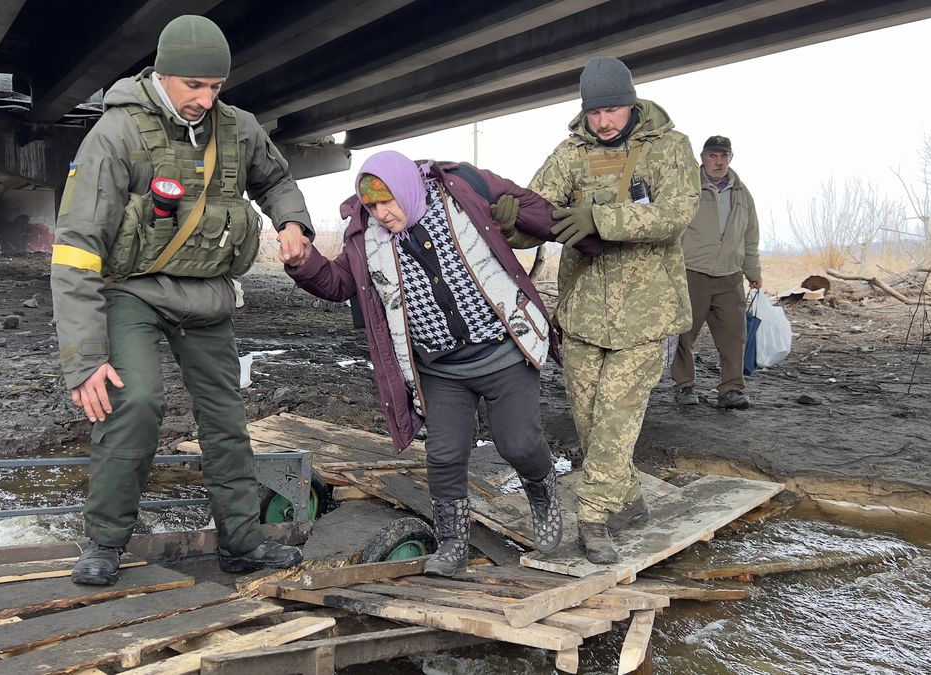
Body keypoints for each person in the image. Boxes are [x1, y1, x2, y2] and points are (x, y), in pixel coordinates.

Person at [50, 15, 313, 586]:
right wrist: (84, 358)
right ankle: (105, 540)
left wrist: (294, 222)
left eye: (214, 87)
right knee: (136, 403)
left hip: (209, 296)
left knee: (225, 418)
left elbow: (276, 179)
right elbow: (76, 248)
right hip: (133, 293)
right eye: (193, 86)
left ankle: (242, 544)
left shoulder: (238, 129)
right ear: (162, 74)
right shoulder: (116, 135)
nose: (204, 98)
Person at [285, 150, 602, 576]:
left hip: (503, 353)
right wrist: (304, 263)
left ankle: (541, 493)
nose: (383, 213)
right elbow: (341, 283)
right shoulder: (365, 237)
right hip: (439, 369)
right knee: (445, 455)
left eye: (389, 201)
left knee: (518, 444)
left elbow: (536, 213)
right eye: (373, 205)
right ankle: (453, 542)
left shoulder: (464, 192)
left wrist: (598, 235)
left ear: (409, 190)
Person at [528, 56, 700, 564]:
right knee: (588, 419)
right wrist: (517, 218)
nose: (602, 122)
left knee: (617, 419)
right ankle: (627, 501)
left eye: (612, 111)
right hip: (582, 310)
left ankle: (595, 514)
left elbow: (675, 213)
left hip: (645, 313)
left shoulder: (670, 147)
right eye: (594, 112)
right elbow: (541, 205)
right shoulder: (570, 152)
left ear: (631, 102)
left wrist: (600, 218)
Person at [672, 135, 762, 410]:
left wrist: (753, 271)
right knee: (683, 334)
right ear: (702, 158)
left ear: (730, 159)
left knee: (734, 336)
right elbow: (673, 229)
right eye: (713, 156)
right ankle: (684, 386)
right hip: (691, 272)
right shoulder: (688, 188)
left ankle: (732, 389)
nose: (718, 161)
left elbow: (750, 235)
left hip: (730, 276)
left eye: (723, 156)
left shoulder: (741, 192)